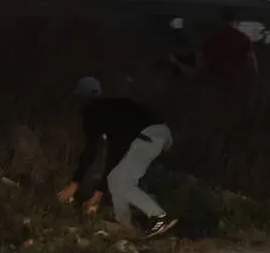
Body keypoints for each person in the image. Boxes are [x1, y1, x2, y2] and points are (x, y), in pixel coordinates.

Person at [56, 76, 178, 238]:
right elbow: (114, 153)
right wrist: (98, 193)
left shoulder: (94, 113)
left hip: (150, 134)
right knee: (117, 179)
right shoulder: (111, 111)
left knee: (119, 180)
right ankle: (124, 226)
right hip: (160, 132)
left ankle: (159, 217)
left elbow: (93, 151)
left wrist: (74, 185)